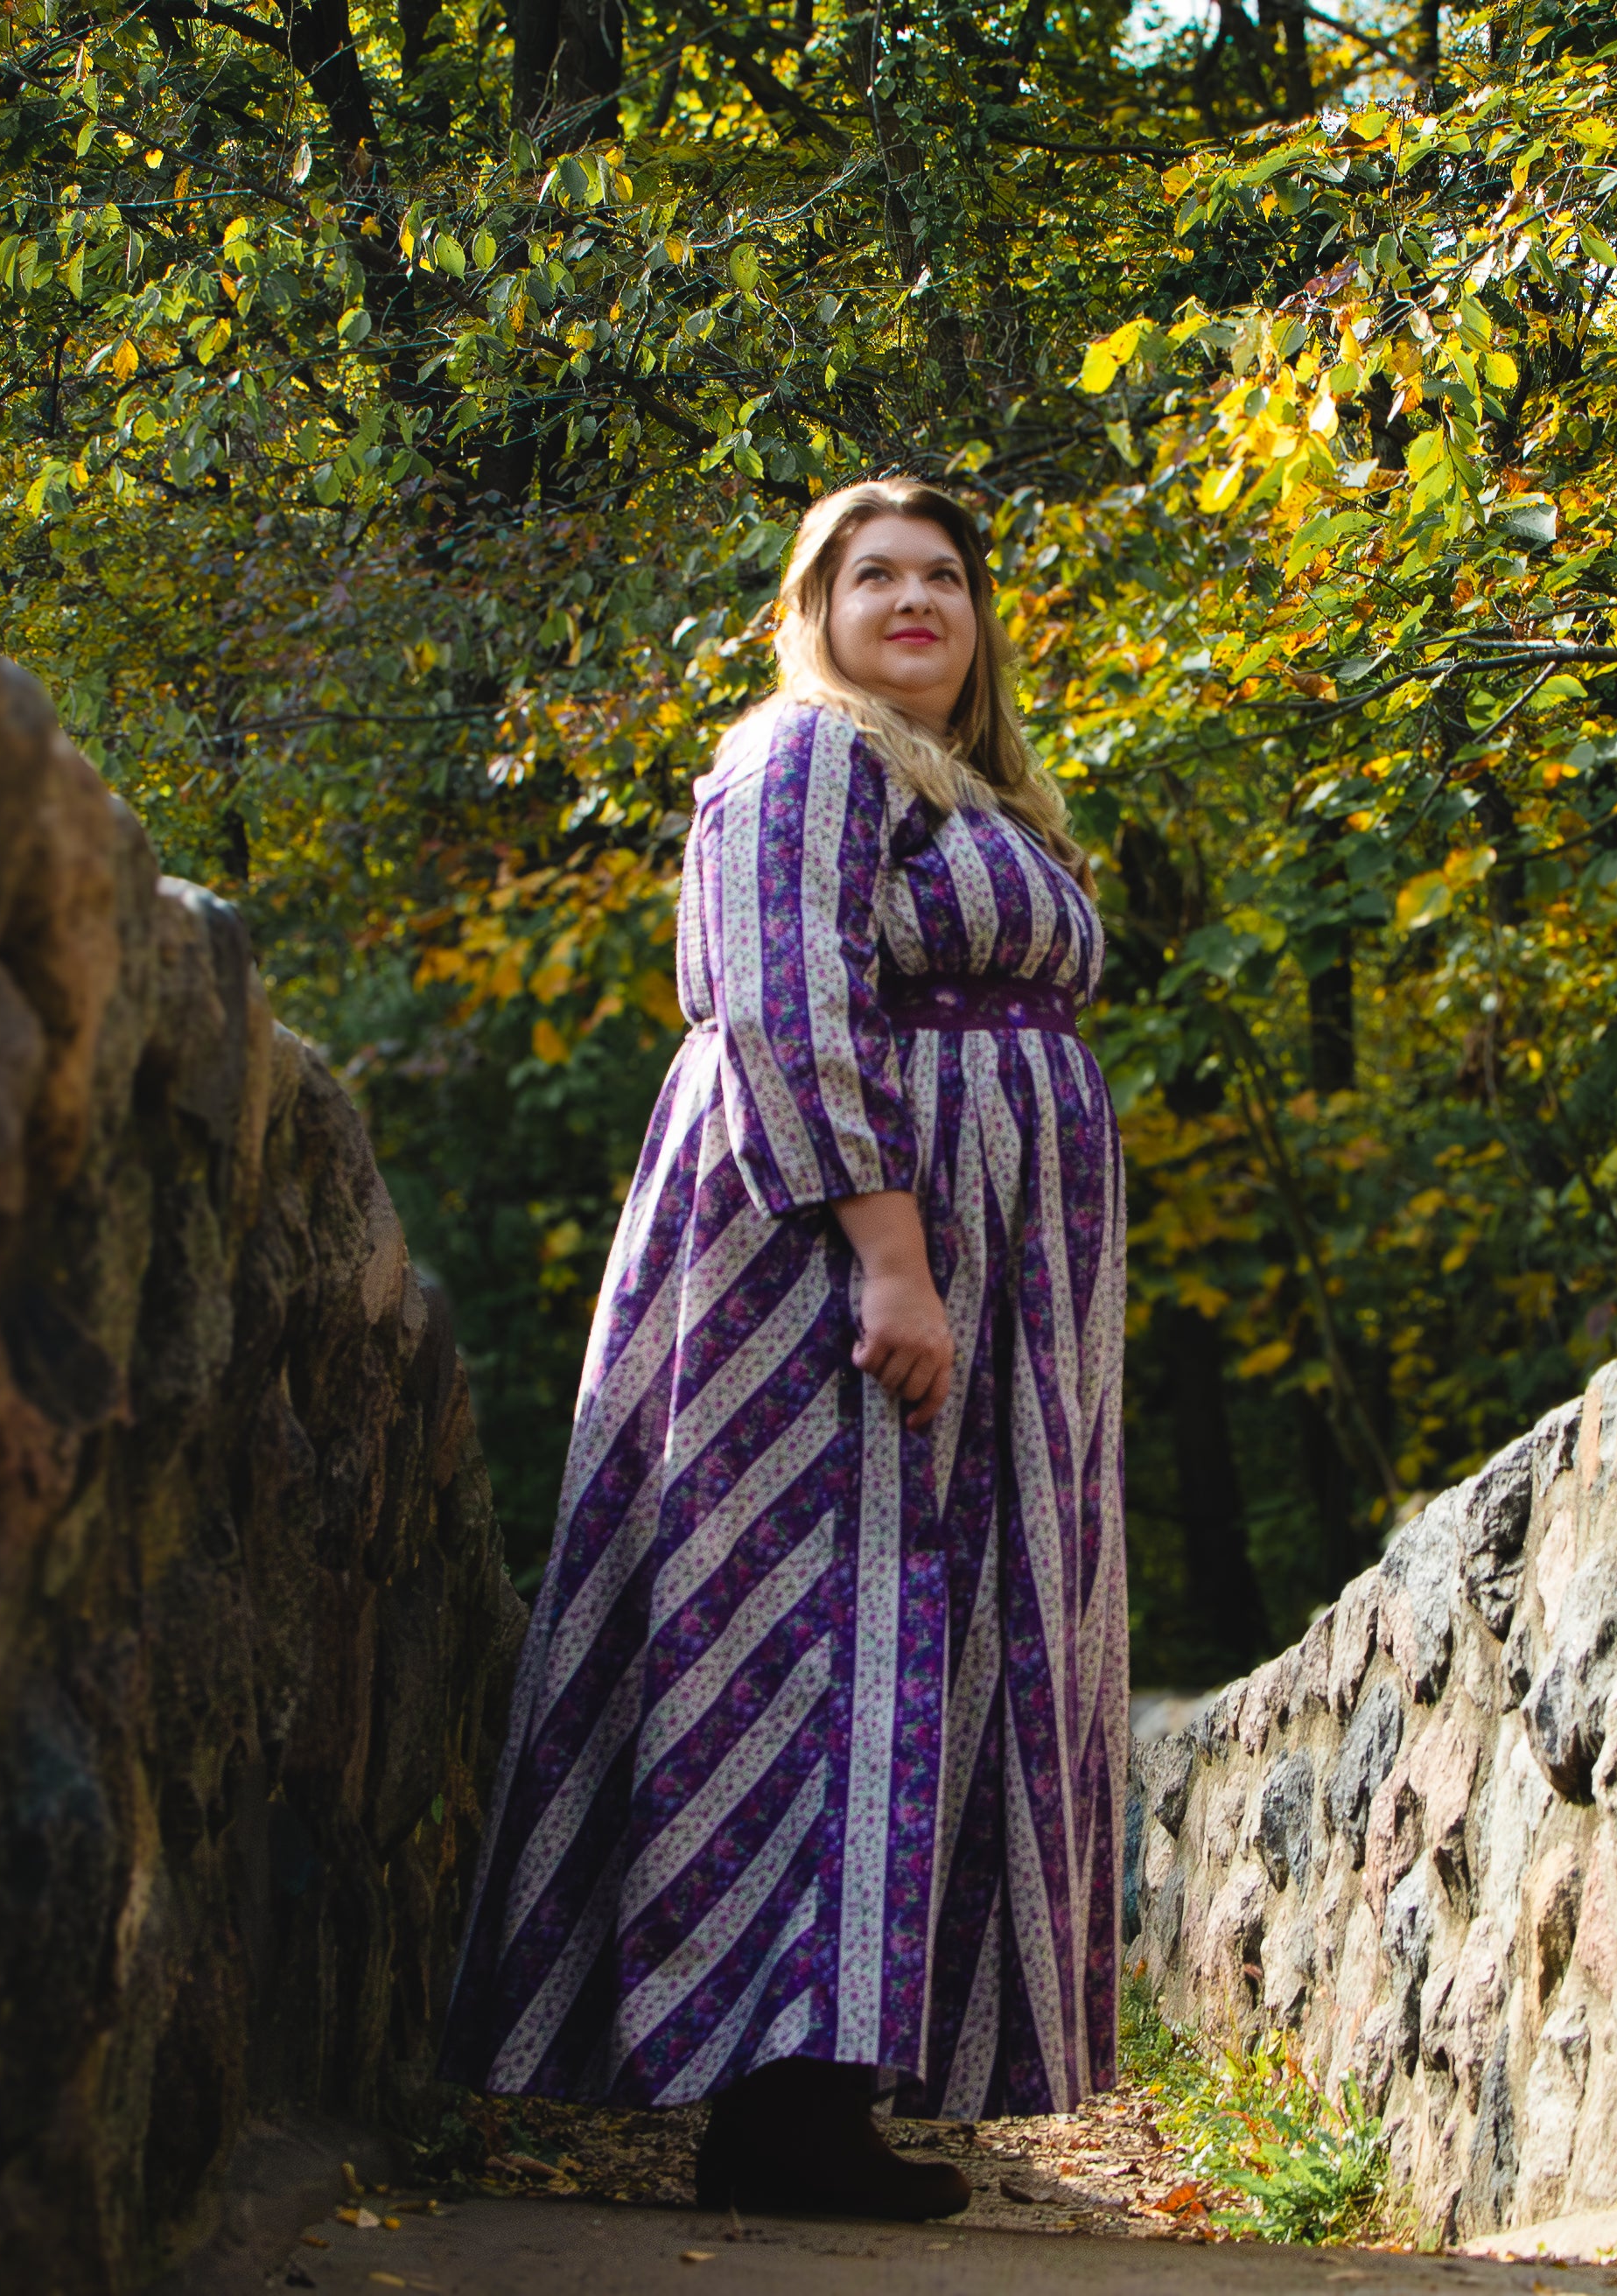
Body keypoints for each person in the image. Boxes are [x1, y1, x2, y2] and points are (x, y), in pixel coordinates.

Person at [439, 477, 1128, 2222]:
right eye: (869, 574)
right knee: (804, 1624)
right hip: (823, 1268)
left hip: (984, 1279)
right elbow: (782, 997)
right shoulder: (803, 757)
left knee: (922, 1638)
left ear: (980, 620)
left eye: (942, 576)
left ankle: (824, 2090)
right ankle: (763, 2089)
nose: (912, 599)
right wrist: (888, 1255)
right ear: (809, 615)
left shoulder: (973, 793)